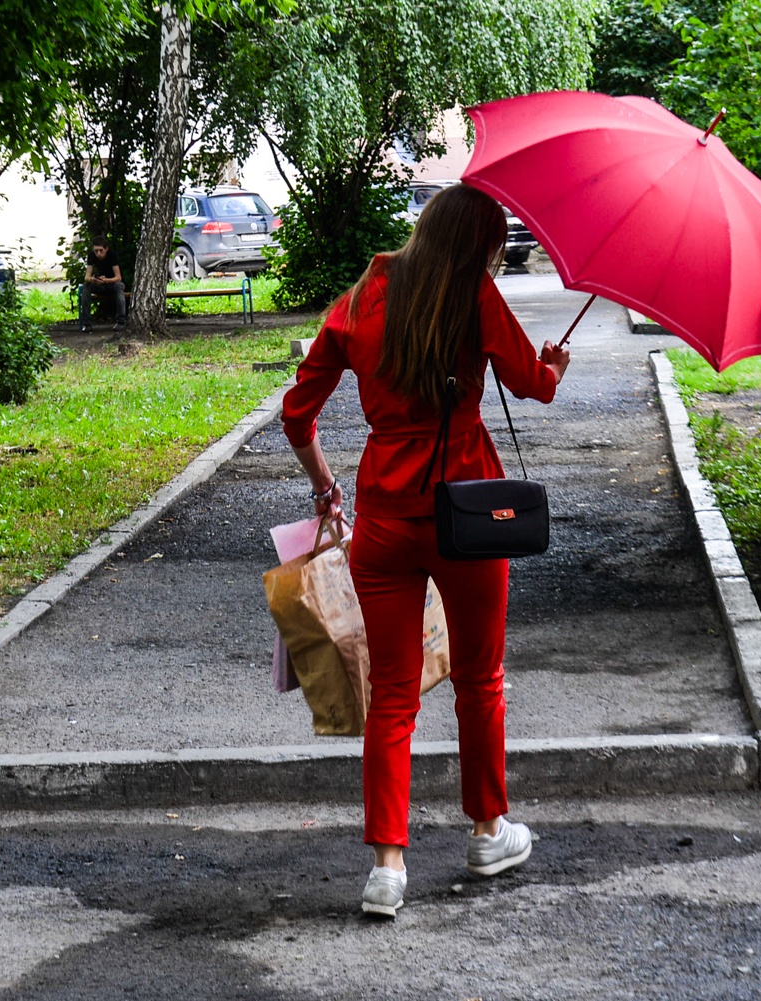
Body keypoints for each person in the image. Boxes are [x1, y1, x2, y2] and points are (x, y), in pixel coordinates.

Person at [281, 183, 570, 918]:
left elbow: (297, 412)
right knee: (480, 677)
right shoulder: (473, 295)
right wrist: (553, 364)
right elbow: (530, 386)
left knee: (392, 693)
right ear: (480, 245)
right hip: (467, 513)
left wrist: (325, 489)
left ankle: (386, 867)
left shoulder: (359, 301)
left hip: (383, 518)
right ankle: (487, 831)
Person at [80, 236, 126, 331]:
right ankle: (87, 324)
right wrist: (92, 280)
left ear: (106, 249)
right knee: (85, 287)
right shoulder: (91, 256)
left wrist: (107, 280)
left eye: (101, 251)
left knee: (119, 286)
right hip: (99, 284)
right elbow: (87, 277)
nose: (98, 254)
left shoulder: (112, 255)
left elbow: (118, 277)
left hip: (112, 284)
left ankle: (121, 321)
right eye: (96, 251)